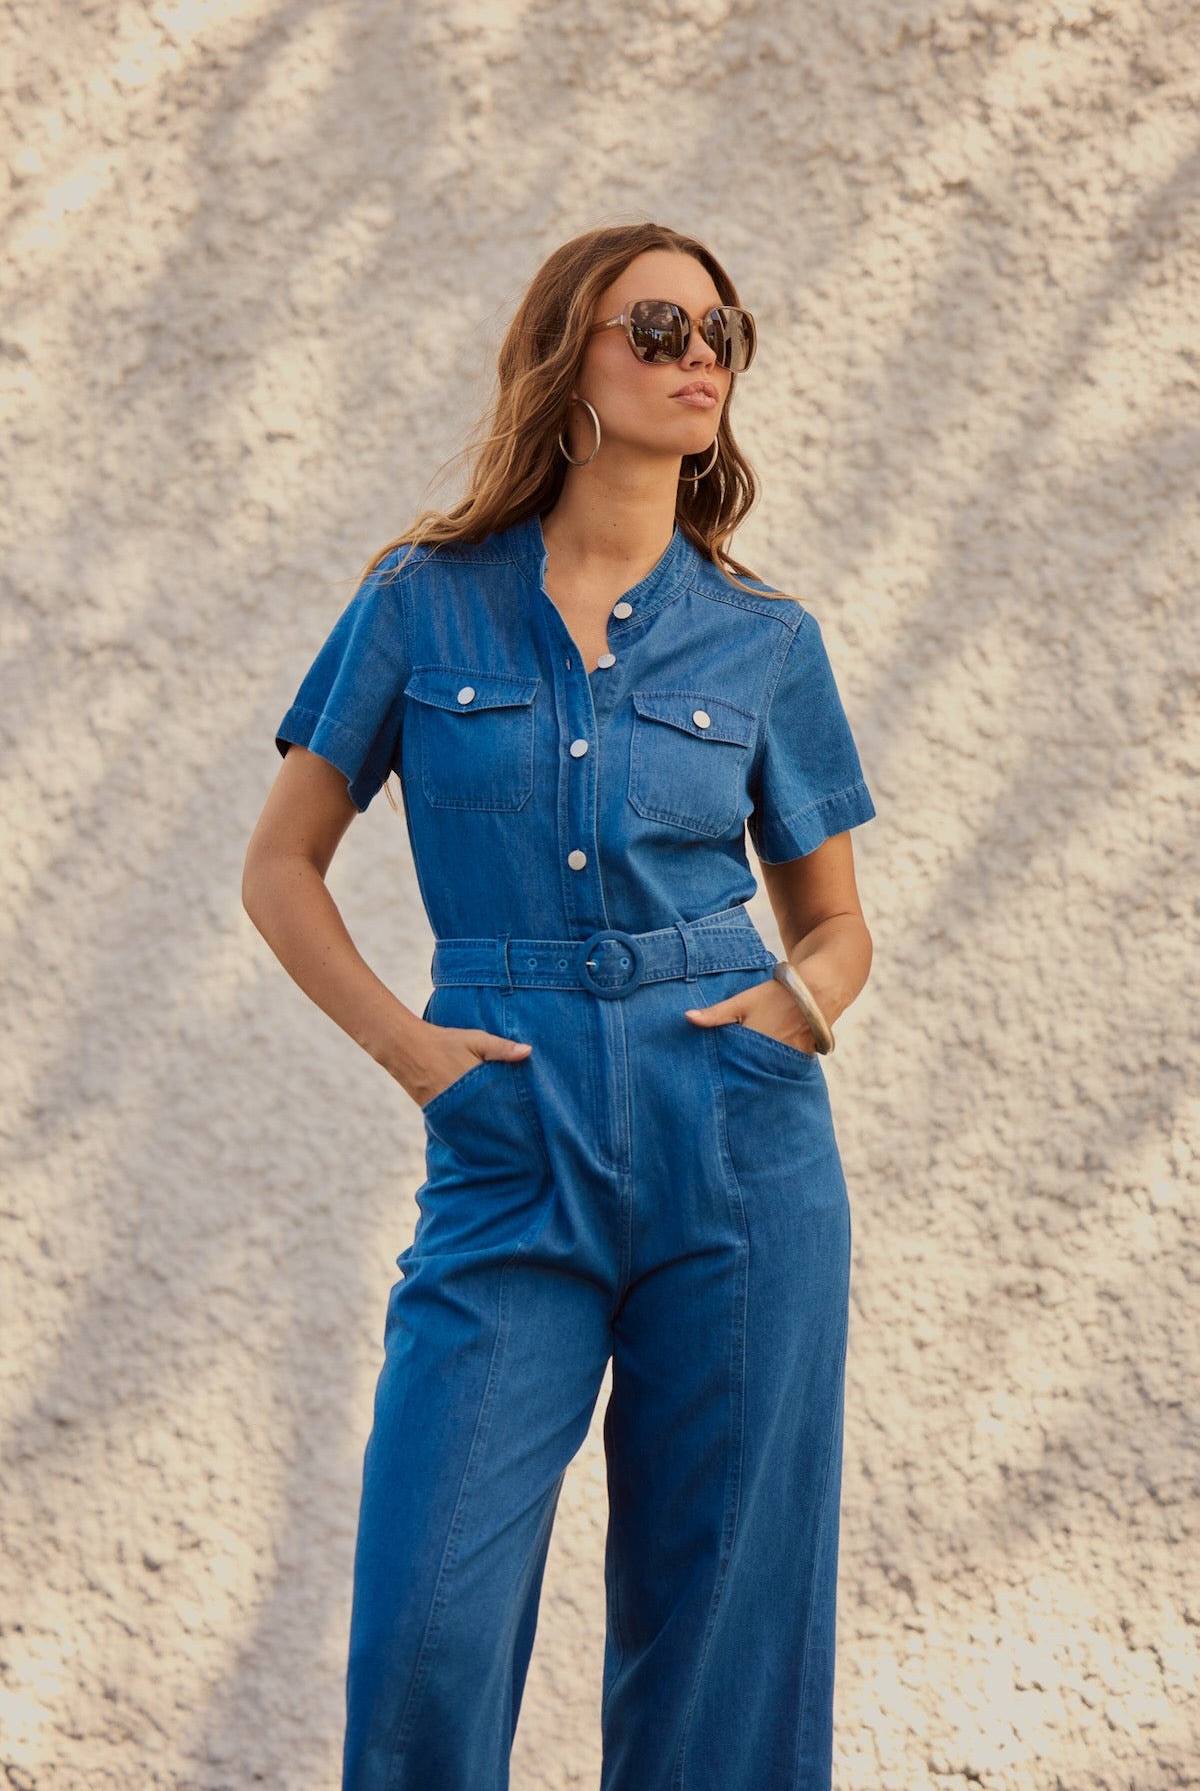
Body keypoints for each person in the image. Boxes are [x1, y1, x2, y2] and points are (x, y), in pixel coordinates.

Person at [242, 220, 877, 1791]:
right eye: (657, 325)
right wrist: (418, 1058)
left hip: (734, 1141)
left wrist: (795, 1015)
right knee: (429, 1634)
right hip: (507, 1131)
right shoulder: (421, 602)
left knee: (723, 1629)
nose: (701, 355)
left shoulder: (766, 638)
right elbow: (281, 869)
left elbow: (836, 922)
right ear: (565, 362)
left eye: (724, 327)